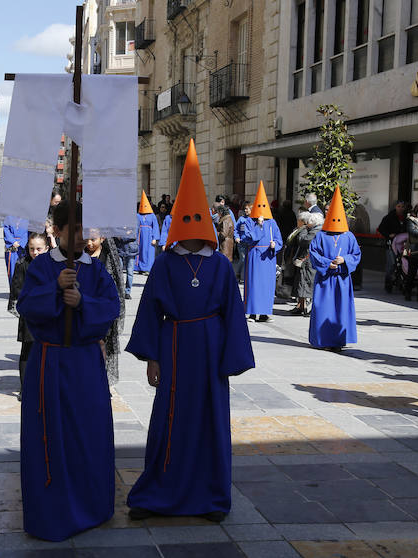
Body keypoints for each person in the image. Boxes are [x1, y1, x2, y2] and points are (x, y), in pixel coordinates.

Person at [126, 139, 254, 523]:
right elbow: (150, 311)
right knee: (169, 419)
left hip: (211, 352)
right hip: (175, 346)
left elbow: (234, 315)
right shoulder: (165, 264)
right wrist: (151, 358)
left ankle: (211, 497)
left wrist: (231, 361)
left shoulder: (219, 266)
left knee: (210, 421)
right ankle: (157, 493)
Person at [16, 200, 120, 541]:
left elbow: (112, 308)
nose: (80, 236)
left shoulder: (96, 268)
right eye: (72, 229)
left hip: (86, 363)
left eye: (84, 229)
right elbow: (26, 306)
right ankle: (53, 509)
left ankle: (92, 505)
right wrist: (55, 289)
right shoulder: (42, 267)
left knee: (88, 435)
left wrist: (84, 303)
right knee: (51, 436)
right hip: (51, 362)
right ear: (56, 231)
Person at [308, 188, 362, 350]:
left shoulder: (349, 236)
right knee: (324, 309)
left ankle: (339, 340)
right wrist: (326, 263)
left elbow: (356, 254)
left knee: (341, 310)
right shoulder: (321, 235)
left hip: (342, 280)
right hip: (325, 280)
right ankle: (323, 339)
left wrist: (344, 260)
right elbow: (313, 253)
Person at [9, 233, 49, 398]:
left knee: (47, 352)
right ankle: (25, 388)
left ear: (46, 248)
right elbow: (17, 289)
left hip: (48, 315)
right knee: (27, 351)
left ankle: (45, 386)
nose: (35, 252)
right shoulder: (22, 264)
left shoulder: (52, 264)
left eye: (39, 249)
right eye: (32, 249)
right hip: (30, 316)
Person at [84, 232, 126, 385]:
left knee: (104, 347)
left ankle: (102, 380)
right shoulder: (80, 256)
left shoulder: (109, 257)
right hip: (85, 309)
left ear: (102, 238)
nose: (89, 243)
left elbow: (117, 284)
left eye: (93, 239)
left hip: (103, 310)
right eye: (86, 239)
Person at [241, 182, 282, 322]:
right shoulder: (248, 222)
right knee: (253, 284)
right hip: (254, 255)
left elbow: (279, 240)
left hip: (268, 258)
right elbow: (246, 238)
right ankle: (252, 313)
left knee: (267, 285)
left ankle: (264, 313)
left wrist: (274, 245)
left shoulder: (272, 223)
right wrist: (258, 226)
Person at [292, 212, 322, 316]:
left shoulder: (315, 231)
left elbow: (304, 241)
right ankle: (301, 306)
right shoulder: (314, 230)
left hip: (309, 261)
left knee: (307, 283)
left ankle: (306, 308)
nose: (307, 223)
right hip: (307, 261)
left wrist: (303, 230)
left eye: (309, 222)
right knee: (303, 282)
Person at [377, 200, 408, 293]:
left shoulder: (407, 217)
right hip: (391, 244)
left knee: (403, 264)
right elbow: (381, 229)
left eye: (402, 207)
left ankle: (401, 283)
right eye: (399, 206)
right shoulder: (389, 217)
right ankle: (388, 284)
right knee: (391, 264)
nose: (401, 208)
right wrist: (388, 235)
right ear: (395, 207)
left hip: (403, 244)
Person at [135, 192, 160, 273]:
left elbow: (155, 227)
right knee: (140, 251)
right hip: (140, 235)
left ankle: (148, 268)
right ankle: (139, 268)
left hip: (149, 236)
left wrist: (155, 238)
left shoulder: (152, 216)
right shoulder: (138, 215)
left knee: (149, 252)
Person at [3, 215, 29, 286]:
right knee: (11, 270)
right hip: (12, 246)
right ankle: (12, 290)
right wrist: (13, 241)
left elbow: (28, 232)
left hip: (23, 246)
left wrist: (21, 243)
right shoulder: (8, 217)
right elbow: (6, 230)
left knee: (23, 269)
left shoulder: (28, 218)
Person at [114, 233, 138, 299]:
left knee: (130, 272)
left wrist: (122, 237)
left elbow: (133, 236)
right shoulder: (118, 224)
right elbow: (114, 234)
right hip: (119, 249)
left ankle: (127, 292)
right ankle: (119, 291)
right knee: (118, 270)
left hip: (131, 250)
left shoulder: (133, 223)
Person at [233, 201, 253, 281]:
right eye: (245, 209)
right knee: (243, 258)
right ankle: (239, 274)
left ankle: (245, 276)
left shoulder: (254, 220)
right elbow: (236, 229)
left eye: (247, 209)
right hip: (241, 243)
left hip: (250, 243)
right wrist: (236, 237)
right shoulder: (241, 219)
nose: (245, 210)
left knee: (248, 260)